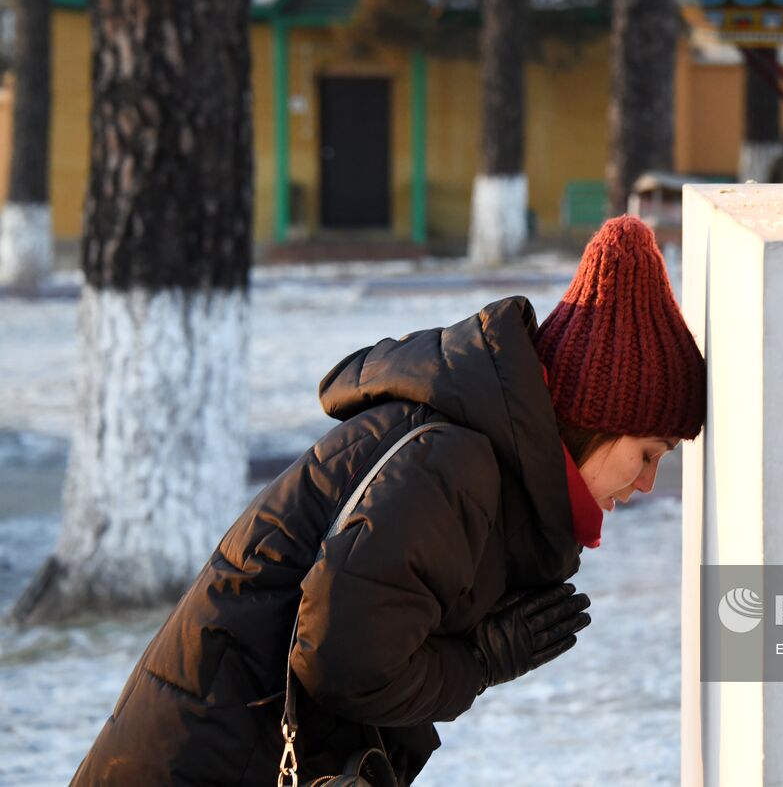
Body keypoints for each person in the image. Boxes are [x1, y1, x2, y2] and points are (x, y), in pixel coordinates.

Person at [70, 215, 707, 785]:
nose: (648, 482)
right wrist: (480, 661)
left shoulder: (479, 462)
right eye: (650, 453)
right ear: (594, 420)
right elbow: (342, 664)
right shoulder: (453, 468)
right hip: (207, 761)